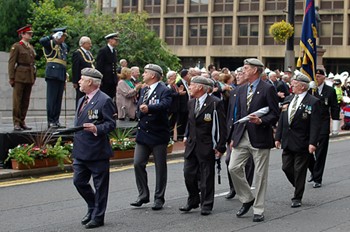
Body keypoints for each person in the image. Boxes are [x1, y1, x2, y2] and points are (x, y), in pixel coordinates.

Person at [228, 58, 279, 222]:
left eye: (246, 68)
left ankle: (258, 209)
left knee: (260, 175)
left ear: (256, 70)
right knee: (233, 167)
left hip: (260, 136)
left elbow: (274, 113)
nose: (243, 70)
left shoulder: (267, 89)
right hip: (242, 135)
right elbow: (237, 114)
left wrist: (261, 121)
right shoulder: (241, 89)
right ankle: (247, 198)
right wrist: (233, 137)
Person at [72, 68, 116, 229]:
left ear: (90, 82)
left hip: (97, 151)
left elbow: (111, 124)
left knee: (100, 186)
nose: (79, 82)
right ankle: (92, 206)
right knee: (79, 181)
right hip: (81, 150)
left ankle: (98, 216)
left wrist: (97, 128)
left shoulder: (104, 100)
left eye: (82, 79)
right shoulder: (81, 100)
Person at [179, 76, 227, 216]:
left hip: (207, 145)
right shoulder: (191, 102)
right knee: (188, 174)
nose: (190, 87)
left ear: (200, 87)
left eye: (192, 85)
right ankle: (193, 199)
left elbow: (221, 126)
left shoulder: (215, 103)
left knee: (206, 176)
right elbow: (190, 121)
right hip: (192, 145)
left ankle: (206, 204)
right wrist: (186, 135)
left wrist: (220, 146)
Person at [275, 73, 321, 208]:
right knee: (286, 167)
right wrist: (277, 137)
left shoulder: (313, 102)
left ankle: (297, 196)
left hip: (303, 141)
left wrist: (313, 143)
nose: (291, 87)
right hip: (288, 140)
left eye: (294, 85)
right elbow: (282, 119)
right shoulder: (288, 99)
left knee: (299, 169)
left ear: (302, 86)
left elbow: (315, 124)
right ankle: (298, 184)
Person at [130, 64, 172, 211]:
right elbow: (139, 107)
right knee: (138, 163)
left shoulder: (164, 90)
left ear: (153, 75)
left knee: (160, 167)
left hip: (158, 134)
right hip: (143, 134)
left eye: (145, 72)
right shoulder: (144, 89)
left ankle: (159, 197)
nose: (143, 74)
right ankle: (143, 194)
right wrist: (140, 112)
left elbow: (166, 105)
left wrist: (150, 109)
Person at [225, 67, 255, 200]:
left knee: (248, 163)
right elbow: (230, 114)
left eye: (241, 74)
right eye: (236, 74)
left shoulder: (252, 92)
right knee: (229, 161)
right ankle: (234, 187)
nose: (237, 76)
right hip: (234, 131)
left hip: (247, 132)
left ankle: (245, 188)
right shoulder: (234, 92)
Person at [307, 69, 340, 188]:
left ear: (324, 77)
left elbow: (335, 107)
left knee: (320, 151)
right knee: (307, 150)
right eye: (315, 76)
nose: (317, 78)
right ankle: (314, 170)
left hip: (322, 123)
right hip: (310, 123)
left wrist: (335, 125)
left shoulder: (330, 91)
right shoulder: (310, 90)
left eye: (319, 76)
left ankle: (318, 178)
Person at [39, 26, 69, 128]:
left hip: (61, 74)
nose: (63, 38)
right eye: (62, 36)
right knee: (52, 99)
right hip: (52, 74)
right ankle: (51, 120)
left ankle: (56, 120)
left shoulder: (64, 46)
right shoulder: (51, 43)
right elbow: (42, 41)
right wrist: (52, 37)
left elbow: (64, 61)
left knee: (58, 99)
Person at [8, 25, 36, 131]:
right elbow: (11, 63)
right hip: (19, 76)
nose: (30, 35)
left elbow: (33, 63)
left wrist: (33, 76)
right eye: (28, 33)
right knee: (17, 101)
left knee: (25, 101)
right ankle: (16, 122)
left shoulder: (30, 47)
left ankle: (22, 121)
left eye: (31, 33)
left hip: (29, 76)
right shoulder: (17, 46)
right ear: (22, 34)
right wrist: (11, 77)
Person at [72, 36, 95, 108]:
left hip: (89, 80)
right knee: (81, 97)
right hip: (82, 80)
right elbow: (75, 68)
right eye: (89, 43)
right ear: (84, 44)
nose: (90, 45)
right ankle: (79, 113)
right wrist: (75, 81)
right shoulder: (78, 53)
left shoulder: (89, 54)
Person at [96, 32, 119, 100]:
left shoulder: (114, 51)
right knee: (104, 97)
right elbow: (99, 65)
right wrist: (100, 79)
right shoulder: (103, 50)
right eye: (115, 40)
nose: (117, 42)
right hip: (105, 79)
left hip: (112, 79)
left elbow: (114, 65)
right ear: (110, 40)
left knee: (111, 97)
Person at [176, 69, 191, 140]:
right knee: (181, 121)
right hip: (182, 106)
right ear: (185, 75)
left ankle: (184, 135)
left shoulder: (187, 83)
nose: (189, 76)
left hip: (186, 105)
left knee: (185, 120)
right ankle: (180, 136)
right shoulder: (179, 83)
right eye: (188, 74)